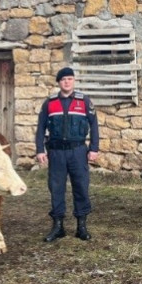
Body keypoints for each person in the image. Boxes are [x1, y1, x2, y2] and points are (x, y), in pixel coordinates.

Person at [35, 67, 100, 242]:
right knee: (56, 188)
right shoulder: (49, 103)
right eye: (63, 79)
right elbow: (40, 128)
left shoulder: (84, 101)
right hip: (56, 152)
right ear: (58, 82)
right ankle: (58, 227)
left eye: (70, 79)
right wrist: (40, 150)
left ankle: (81, 226)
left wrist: (94, 148)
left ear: (73, 81)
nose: (67, 82)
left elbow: (94, 125)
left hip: (78, 151)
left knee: (81, 186)